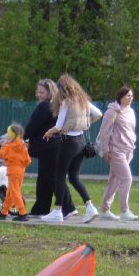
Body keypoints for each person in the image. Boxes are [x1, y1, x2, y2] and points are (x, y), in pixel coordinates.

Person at [40, 74, 101, 223]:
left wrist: (49, 132)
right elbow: (99, 114)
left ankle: (57, 211)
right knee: (74, 178)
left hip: (68, 143)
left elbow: (59, 126)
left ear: (62, 88)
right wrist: (86, 123)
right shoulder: (84, 101)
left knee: (59, 177)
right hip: (80, 142)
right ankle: (90, 207)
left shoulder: (66, 102)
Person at [92, 86, 138, 222]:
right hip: (115, 150)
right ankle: (125, 210)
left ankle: (105, 210)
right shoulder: (113, 111)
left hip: (128, 149)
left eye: (131, 95)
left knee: (115, 180)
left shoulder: (130, 112)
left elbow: (130, 130)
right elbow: (104, 131)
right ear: (121, 97)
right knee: (127, 178)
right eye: (127, 95)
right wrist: (105, 150)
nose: (130, 98)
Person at [22, 79, 59, 221]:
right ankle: (42, 208)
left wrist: (23, 137)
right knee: (48, 178)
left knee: (47, 178)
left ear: (50, 92)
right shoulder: (56, 106)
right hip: (53, 146)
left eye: (42, 92)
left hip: (46, 146)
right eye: (38, 92)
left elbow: (33, 125)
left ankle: (65, 207)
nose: (39, 95)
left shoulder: (44, 106)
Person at [0, 123, 30, 220]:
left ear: (11, 135)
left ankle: (23, 213)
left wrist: (4, 145)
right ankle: (4, 212)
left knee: (14, 192)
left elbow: (1, 155)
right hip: (21, 171)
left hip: (12, 171)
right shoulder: (23, 146)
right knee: (10, 192)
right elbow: (28, 161)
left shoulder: (8, 146)